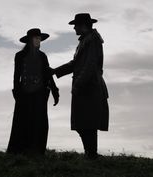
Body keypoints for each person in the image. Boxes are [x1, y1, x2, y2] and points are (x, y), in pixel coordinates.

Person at [51, 13, 109, 159]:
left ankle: (91, 154)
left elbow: (90, 65)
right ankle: (91, 154)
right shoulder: (86, 41)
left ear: (83, 25)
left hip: (90, 87)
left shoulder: (92, 41)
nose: (74, 28)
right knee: (84, 123)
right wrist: (56, 71)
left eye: (75, 25)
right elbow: (75, 64)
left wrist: (78, 84)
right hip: (86, 87)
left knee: (87, 123)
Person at [7, 28, 59, 155]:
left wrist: (54, 90)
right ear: (30, 40)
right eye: (36, 38)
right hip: (24, 93)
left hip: (40, 94)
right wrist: (17, 92)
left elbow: (48, 74)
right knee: (22, 122)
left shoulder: (42, 56)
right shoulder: (20, 56)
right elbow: (16, 76)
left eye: (39, 39)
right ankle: (19, 150)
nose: (38, 41)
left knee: (39, 122)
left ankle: (37, 151)